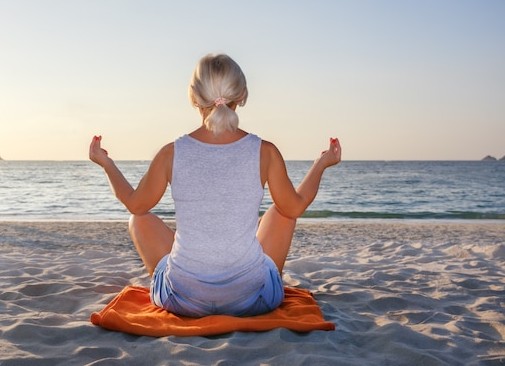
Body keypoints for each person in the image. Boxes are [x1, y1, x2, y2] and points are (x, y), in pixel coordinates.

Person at [89, 54, 341, 318]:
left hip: (182, 300)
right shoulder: (265, 152)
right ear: (242, 95)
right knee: (282, 211)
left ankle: (190, 278)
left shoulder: (171, 153)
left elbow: (134, 203)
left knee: (138, 218)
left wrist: (106, 163)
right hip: (252, 301)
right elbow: (296, 207)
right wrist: (321, 164)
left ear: (193, 97)